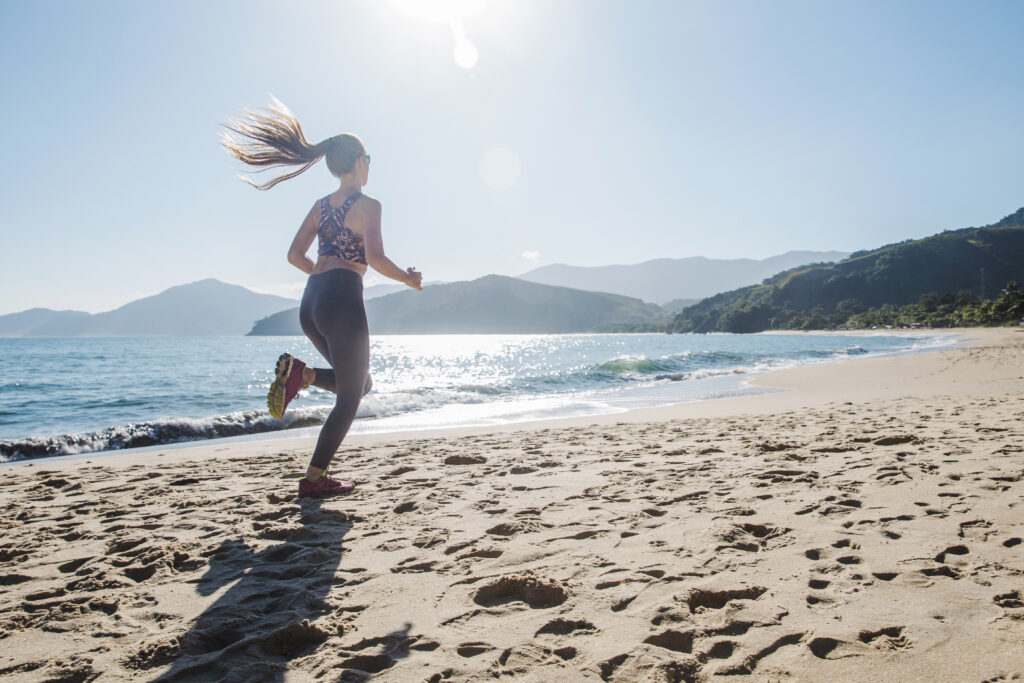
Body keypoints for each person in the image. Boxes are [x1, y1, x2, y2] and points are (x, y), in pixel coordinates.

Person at [220, 98, 423, 498]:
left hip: (311, 302)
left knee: (360, 383)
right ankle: (314, 480)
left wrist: (322, 276)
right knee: (350, 398)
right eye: (369, 158)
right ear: (361, 161)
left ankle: (304, 376)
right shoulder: (368, 205)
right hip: (343, 301)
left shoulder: (320, 206)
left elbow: (295, 256)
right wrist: (408, 280)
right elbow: (376, 258)